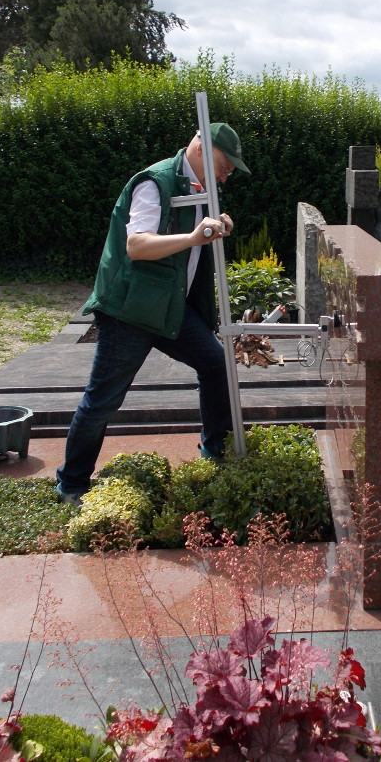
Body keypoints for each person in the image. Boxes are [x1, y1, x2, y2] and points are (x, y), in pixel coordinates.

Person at [55, 123, 249, 505]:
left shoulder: (200, 189)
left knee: (217, 365)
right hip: (130, 311)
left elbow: (194, 237)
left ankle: (215, 451)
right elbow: (137, 245)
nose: (226, 176)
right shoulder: (155, 182)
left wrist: (217, 224)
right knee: (103, 400)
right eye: (224, 166)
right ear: (200, 148)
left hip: (169, 307)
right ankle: (72, 485)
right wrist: (194, 237)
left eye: (229, 171)